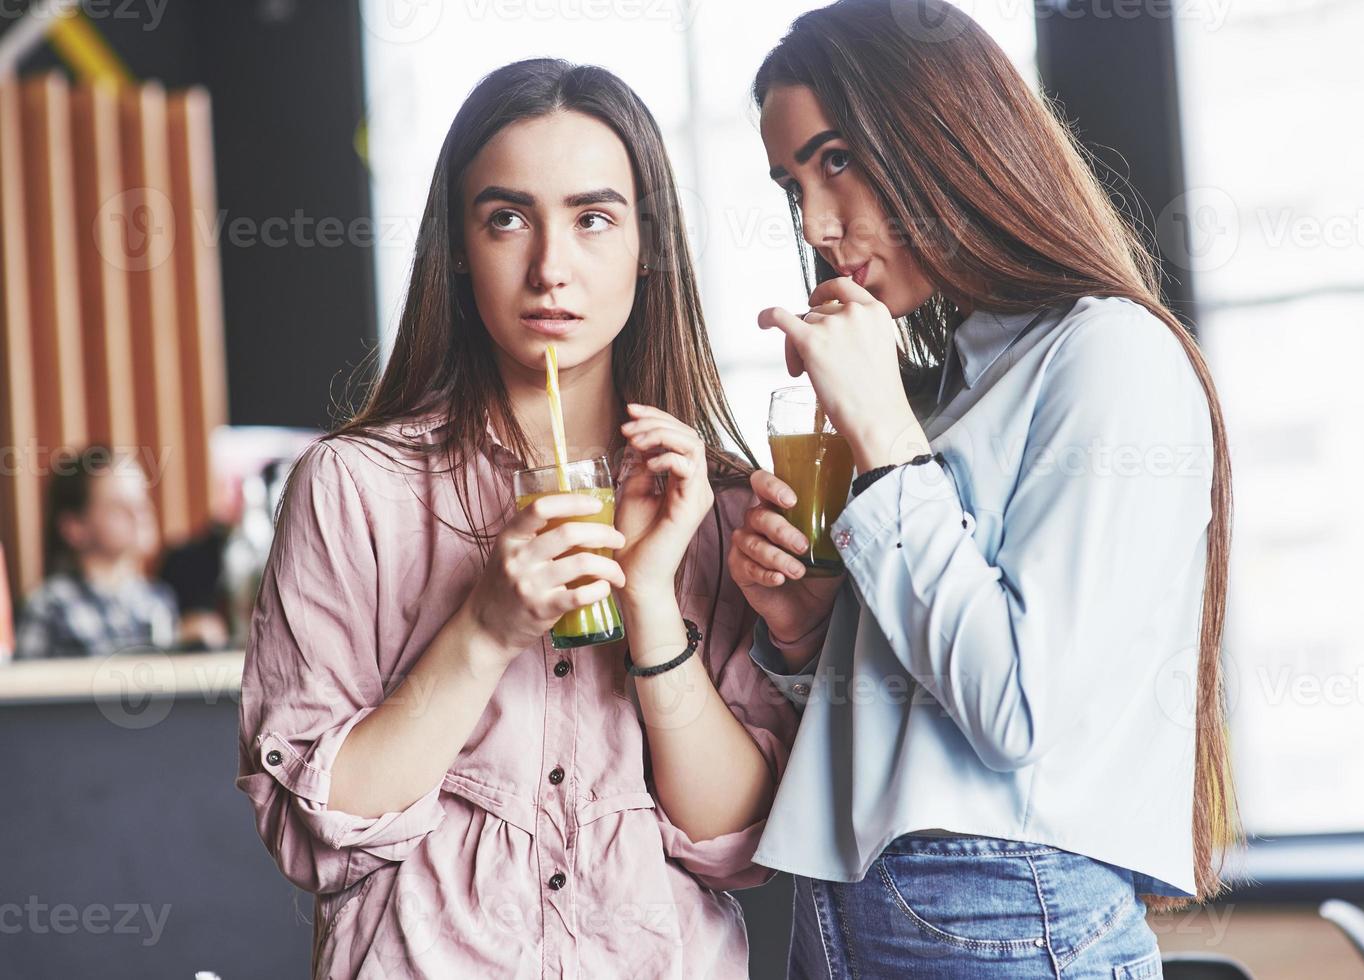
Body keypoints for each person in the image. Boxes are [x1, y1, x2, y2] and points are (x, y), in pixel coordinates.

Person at [234, 59, 796, 979]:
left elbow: (735, 839)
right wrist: (486, 627)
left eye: (593, 218)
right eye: (507, 218)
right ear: (458, 247)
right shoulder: (352, 489)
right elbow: (311, 833)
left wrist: (652, 600)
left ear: (648, 245)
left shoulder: (717, 505)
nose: (549, 267)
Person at [729, 2, 1238, 976]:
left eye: (836, 160)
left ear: (941, 132)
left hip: (1000, 901)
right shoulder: (959, 384)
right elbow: (915, 711)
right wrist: (804, 629)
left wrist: (881, 432)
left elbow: (1018, 711)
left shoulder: (1108, 355)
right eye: (791, 183)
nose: (815, 224)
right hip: (860, 904)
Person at [15, 445, 178, 660]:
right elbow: (25, 688)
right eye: (118, 506)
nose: (139, 513)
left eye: (142, 500)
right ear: (73, 527)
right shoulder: (49, 607)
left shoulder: (158, 599)